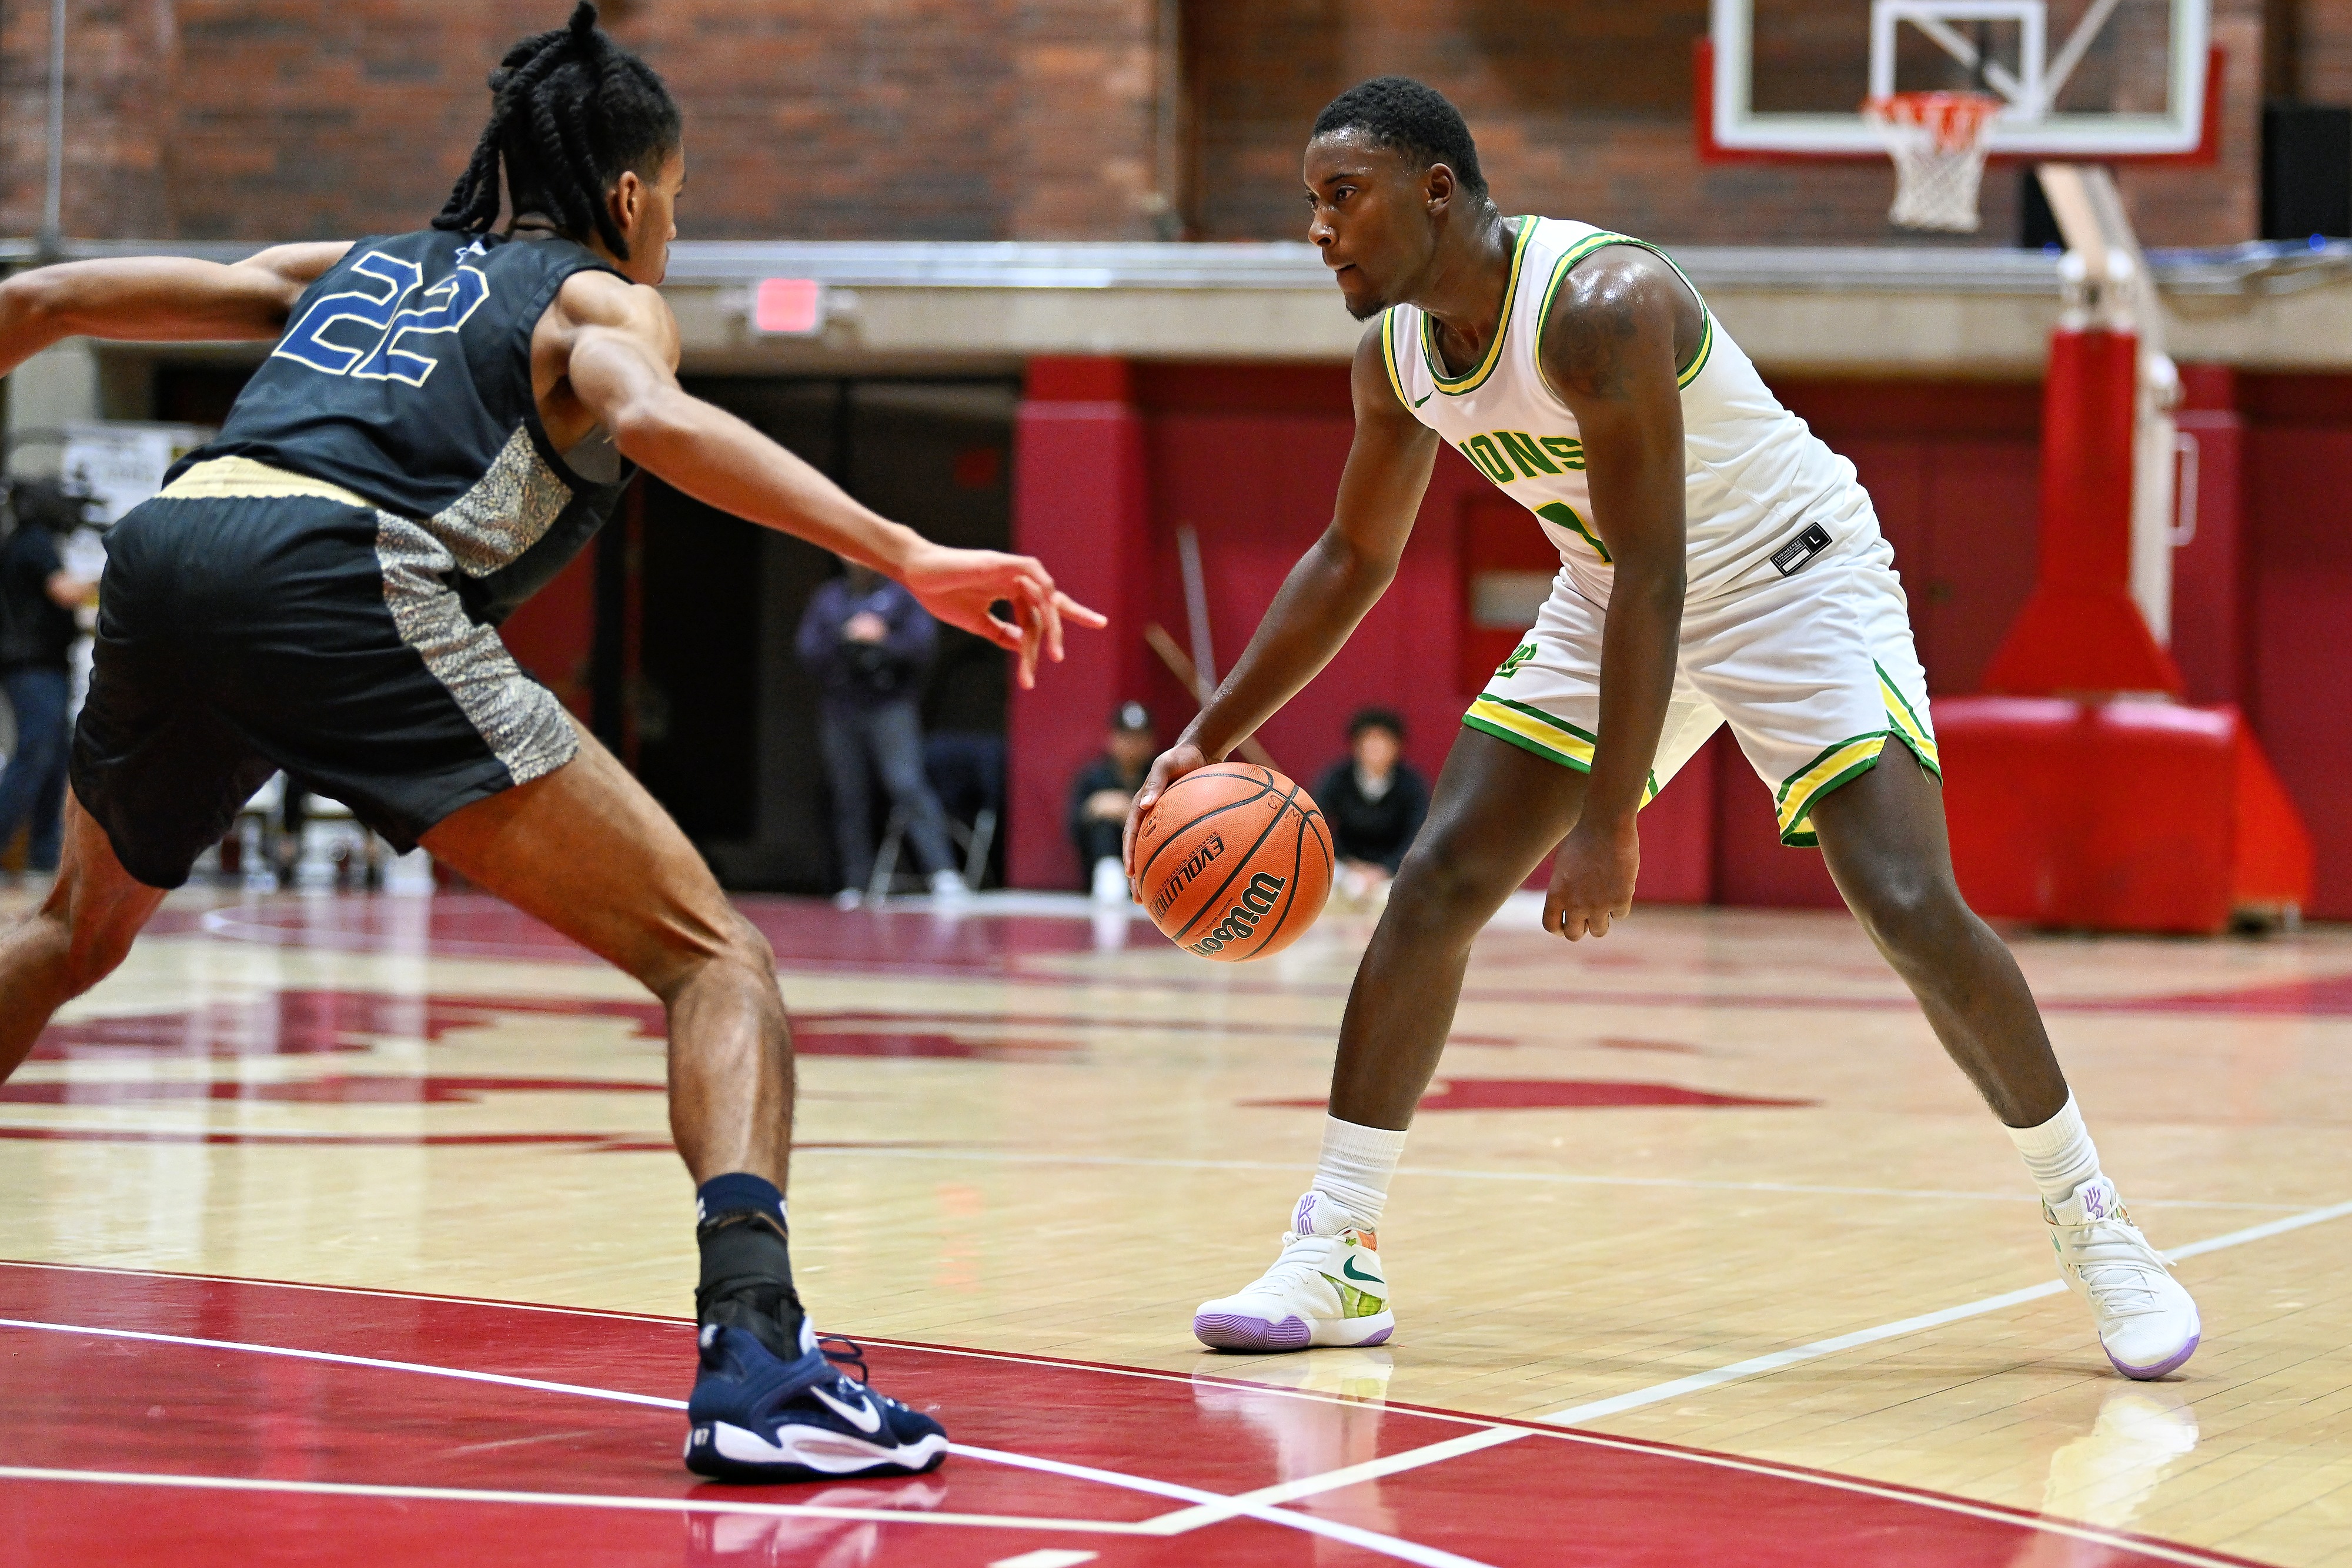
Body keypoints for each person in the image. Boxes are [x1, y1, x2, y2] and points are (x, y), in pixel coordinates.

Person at [0, 3, 1102, 1485]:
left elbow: (52, 299)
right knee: (715, 959)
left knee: (70, 933)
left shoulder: (358, 268)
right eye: (683, 202)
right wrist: (902, 548)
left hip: (174, 544)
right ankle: (759, 1360)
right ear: (636, 195)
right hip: (342, 575)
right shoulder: (595, 300)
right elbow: (653, 420)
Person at [1148, 78, 2198, 1379]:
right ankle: (1335, 1245)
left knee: (1907, 902)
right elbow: (1350, 557)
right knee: (1435, 881)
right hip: (1610, 594)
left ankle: (2095, 1223)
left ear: (1436, 192)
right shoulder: (1398, 358)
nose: (1318, 229)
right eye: (1311, 202)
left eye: (1339, 196)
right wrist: (1208, 734)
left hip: (1792, 581)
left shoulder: (1597, 306)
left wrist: (1605, 825)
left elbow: (1663, 569)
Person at [796, 559, 965, 905]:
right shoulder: (829, 600)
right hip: (841, 708)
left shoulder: (899, 597)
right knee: (848, 794)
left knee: (906, 783)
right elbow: (807, 649)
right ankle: (856, 883)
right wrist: (846, 637)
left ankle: (942, 873)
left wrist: (884, 641)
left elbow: (924, 645)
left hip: (890, 706)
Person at [0, 479, 98, 879]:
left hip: (41, 665)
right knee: (36, 753)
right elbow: (65, 592)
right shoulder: (35, 541)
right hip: (33, 666)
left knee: (55, 759)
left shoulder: (26, 540)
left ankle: (44, 855)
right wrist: (118, 577)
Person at [1312, 707, 1428, 905]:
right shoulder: (1337, 778)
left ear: (1397, 746)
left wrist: (1384, 869)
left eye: (1384, 741)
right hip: (1345, 864)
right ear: (1357, 745)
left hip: (1393, 869)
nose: (1376, 748)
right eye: (1370, 741)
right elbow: (1314, 823)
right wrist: (1350, 864)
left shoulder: (1412, 785)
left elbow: (1418, 835)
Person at [1068, 700, 1156, 902]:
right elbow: (1074, 823)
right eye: (1126, 738)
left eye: (1139, 738)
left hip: (1149, 862)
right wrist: (1096, 806)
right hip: (1104, 861)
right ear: (1112, 739)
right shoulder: (1094, 777)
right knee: (1103, 823)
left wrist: (1130, 812)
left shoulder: (1160, 776)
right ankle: (1110, 876)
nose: (1132, 745)